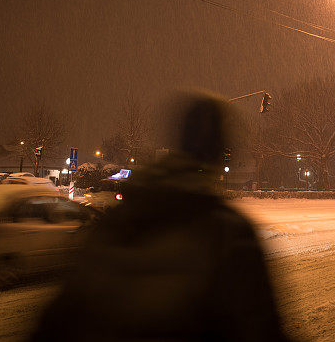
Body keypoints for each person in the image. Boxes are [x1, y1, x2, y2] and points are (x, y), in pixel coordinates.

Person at [31, 92, 289, 341]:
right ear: (221, 151)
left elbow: (59, 321)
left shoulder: (118, 224)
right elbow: (261, 328)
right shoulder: (229, 234)